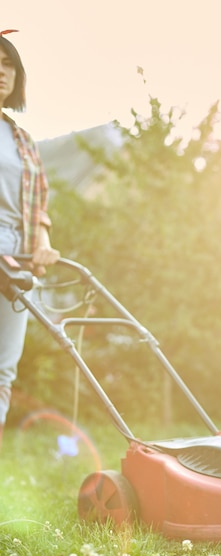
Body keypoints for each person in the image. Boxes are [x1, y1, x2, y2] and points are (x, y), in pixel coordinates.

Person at [0, 30, 60, 439]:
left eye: (9, 66)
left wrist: (42, 242)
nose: (2, 73)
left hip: (16, 256)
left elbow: (39, 198)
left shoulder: (23, 140)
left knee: (3, 365)